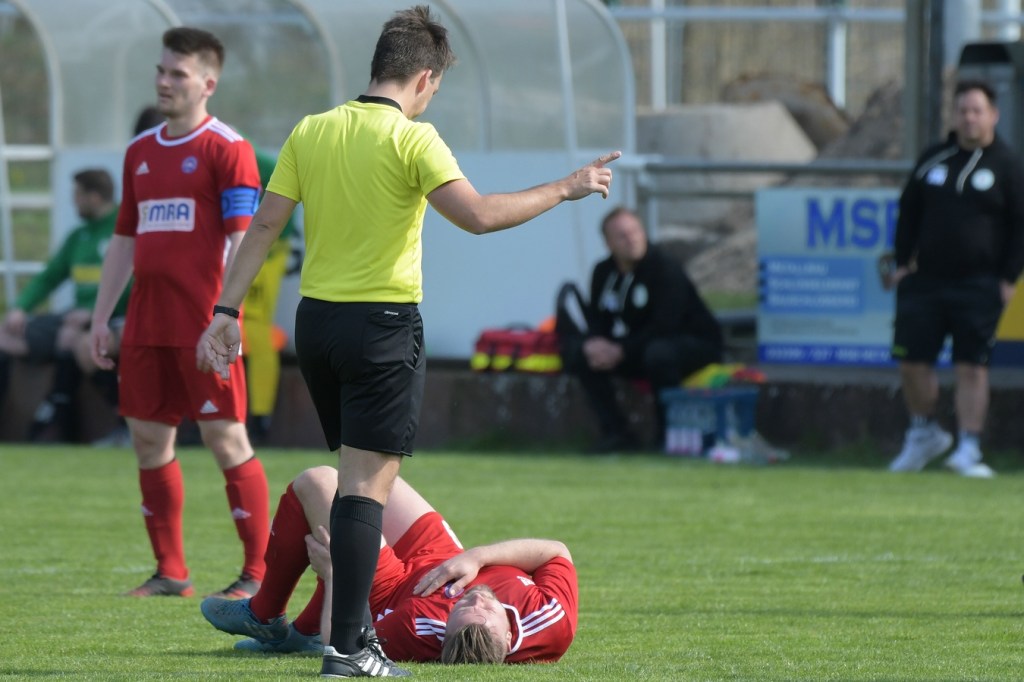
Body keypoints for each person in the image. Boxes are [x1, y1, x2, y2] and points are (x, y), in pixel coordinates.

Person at [196, 5, 617, 677]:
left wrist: (226, 309)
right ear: (425, 78)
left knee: (353, 484)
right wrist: (567, 187)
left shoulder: (313, 129)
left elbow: (265, 226)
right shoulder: (413, 138)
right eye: (435, 87)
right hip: (381, 327)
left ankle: (309, 626)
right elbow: (478, 216)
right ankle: (348, 649)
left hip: (318, 325)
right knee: (365, 491)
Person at [89, 27, 270, 599]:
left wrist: (225, 316)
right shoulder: (139, 152)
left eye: (178, 74)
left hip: (204, 324)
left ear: (208, 84)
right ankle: (171, 572)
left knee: (225, 439)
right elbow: (124, 240)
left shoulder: (229, 149)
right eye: (161, 71)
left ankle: (258, 574)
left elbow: (242, 241)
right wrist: (100, 316)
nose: (163, 82)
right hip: (146, 325)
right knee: (147, 439)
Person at [200, 466, 578, 665]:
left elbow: (341, 645)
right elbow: (555, 552)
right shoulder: (551, 622)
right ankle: (301, 630)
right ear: (509, 639)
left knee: (320, 481)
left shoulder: (415, 631)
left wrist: (335, 574)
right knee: (371, 467)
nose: (477, 598)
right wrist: (477, 557)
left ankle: (264, 613)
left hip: (391, 585)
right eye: (489, 608)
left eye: (462, 607)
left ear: (443, 633)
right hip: (444, 552)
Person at [886, 79, 1024, 479]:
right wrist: (901, 262)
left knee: (971, 367)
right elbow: (909, 211)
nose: (969, 118)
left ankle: (968, 447)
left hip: (979, 283)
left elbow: (1021, 225)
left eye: (977, 111)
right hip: (925, 281)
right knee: (912, 362)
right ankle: (923, 433)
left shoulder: (1008, 165)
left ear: (993, 115)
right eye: (963, 110)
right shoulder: (933, 158)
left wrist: (1008, 277)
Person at [556, 206, 724, 453]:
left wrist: (621, 350)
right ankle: (616, 432)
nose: (631, 239)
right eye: (622, 236)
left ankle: (667, 435)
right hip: (640, 346)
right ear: (608, 243)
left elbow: (665, 326)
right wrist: (596, 344)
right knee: (583, 355)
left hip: (693, 343)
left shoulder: (664, 268)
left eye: (635, 231)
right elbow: (599, 320)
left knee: (659, 354)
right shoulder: (603, 272)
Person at [0, 168, 128, 442]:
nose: (74, 202)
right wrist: (20, 307)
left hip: (116, 316)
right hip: (76, 318)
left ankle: (124, 422)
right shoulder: (79, 236)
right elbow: (49, 277)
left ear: (94, 197)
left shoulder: (124, 229)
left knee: (80, 343)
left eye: (77, 195)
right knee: (5, 335)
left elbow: (133, 281)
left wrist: (93, 312)